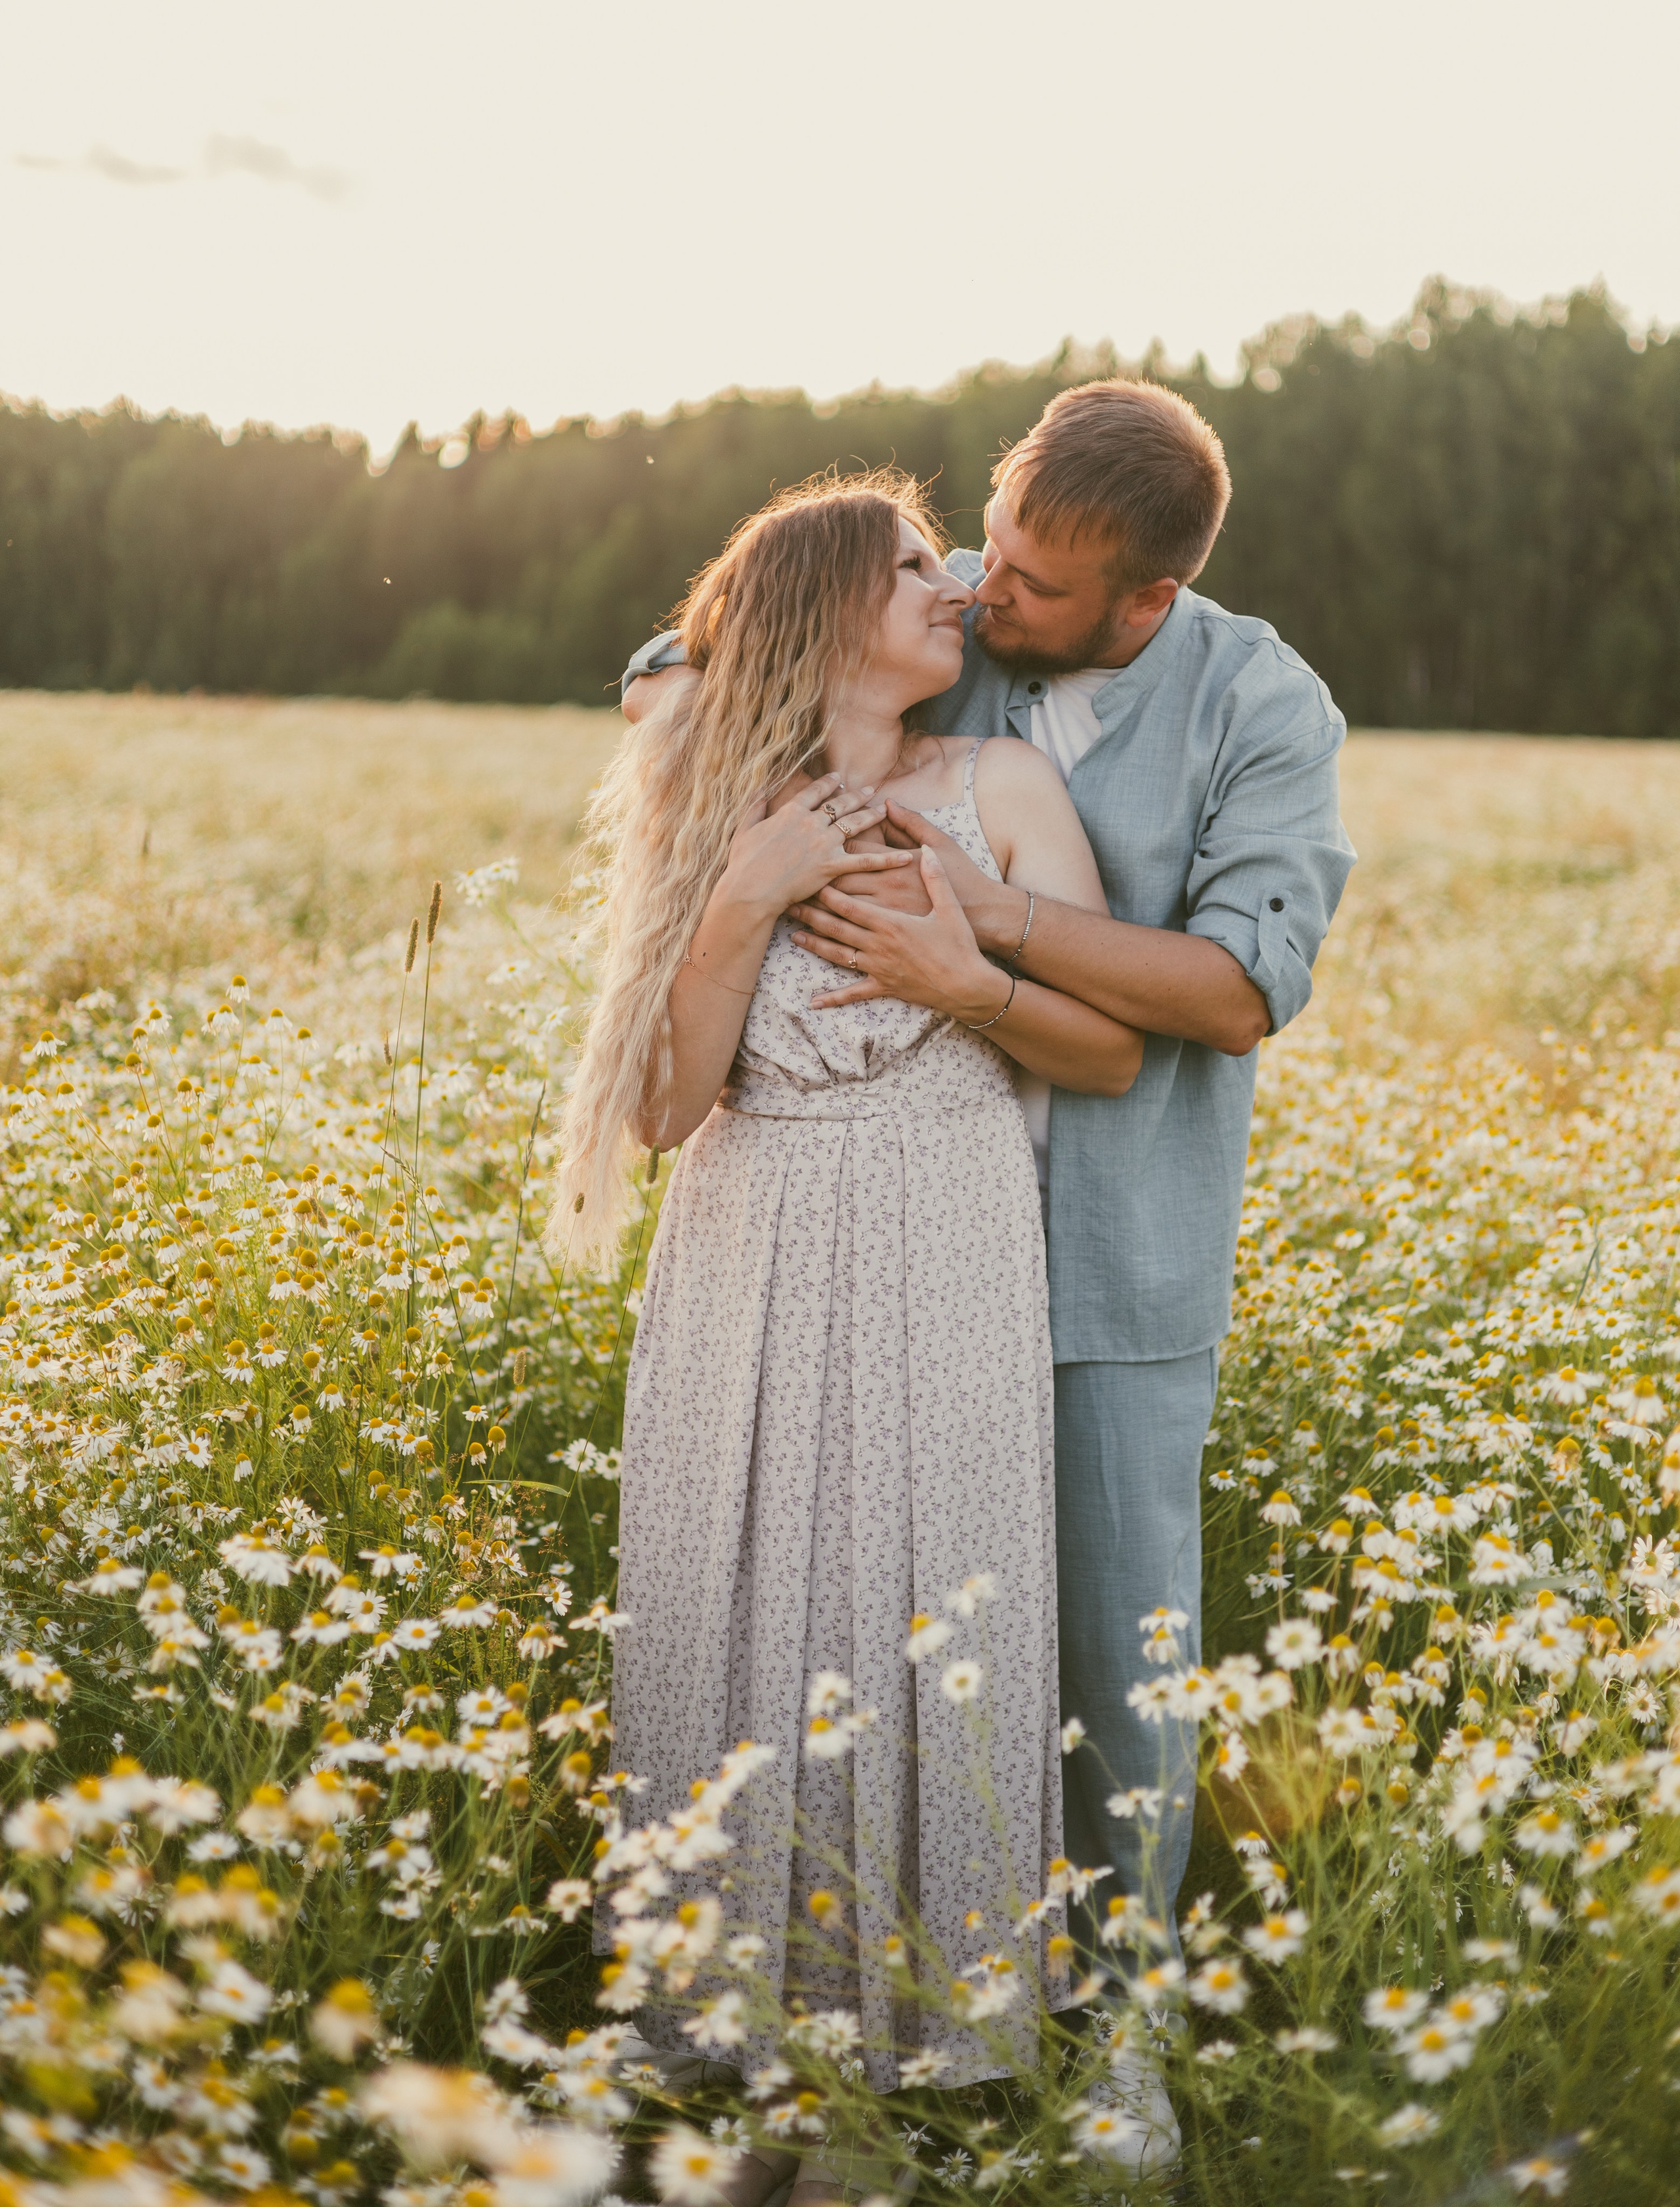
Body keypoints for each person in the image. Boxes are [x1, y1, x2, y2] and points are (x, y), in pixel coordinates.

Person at [623, 382, 1357, 2010]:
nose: (978, 593)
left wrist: (980, 928)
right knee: (830, 1628)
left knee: (1102, 1662)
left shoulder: (1260, 706)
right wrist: (693, 725)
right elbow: (721, 641)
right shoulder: (968, 605)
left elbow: (1236, 991)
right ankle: (812, 2014)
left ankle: (1113, 2033)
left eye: (1024, 585)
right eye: (979, 554)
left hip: (1104, 1250)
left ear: (1144, 598)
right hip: (840, 1242)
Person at [555, 471, 1144, 2206]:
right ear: (824, 609)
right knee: (755, 1613)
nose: (950, 586)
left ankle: (901, 2079)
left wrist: (969, 972)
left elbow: (1107, 1047)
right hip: (752, 1244)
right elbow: (664, 1106)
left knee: (922, 1611)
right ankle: (763, 2078)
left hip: (951, 1231)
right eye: (910, 568)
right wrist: (744, 893)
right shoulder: (708, 791)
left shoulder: (1004, 787)